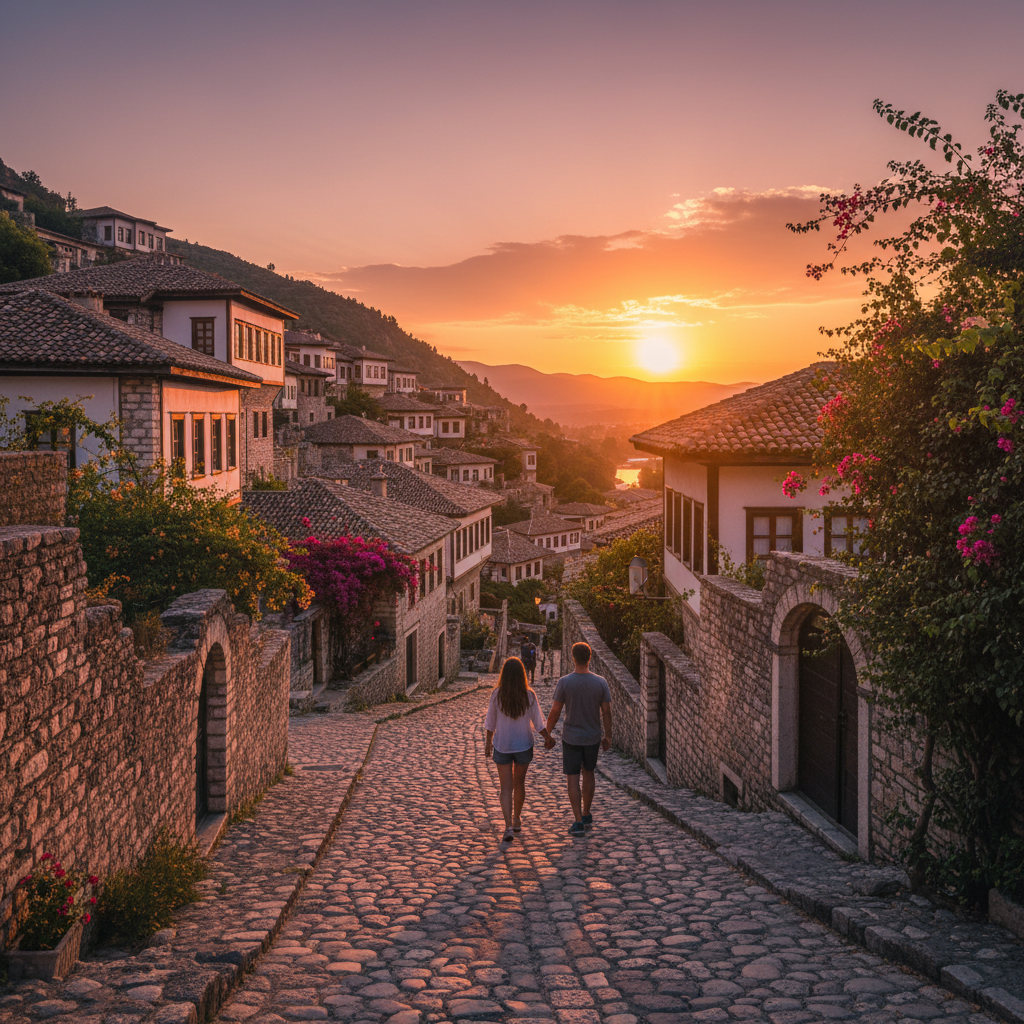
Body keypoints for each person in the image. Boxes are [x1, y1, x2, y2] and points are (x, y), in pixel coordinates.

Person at [545, 641, 612, 836]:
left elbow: (555, 711)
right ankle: (587, 813)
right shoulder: (601, 682)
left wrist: (547, 733)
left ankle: (577, 821)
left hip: (572, 737)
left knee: (572, 777)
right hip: (592, 737)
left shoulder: (565, 682)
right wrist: (608, 736)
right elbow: (606, 712)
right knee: (589, 773)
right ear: (589, 658)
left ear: (572, 657)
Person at [484, 656, 553, 843]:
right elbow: (539, 723)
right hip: (523, 745)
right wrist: (547, 737)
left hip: (502, 745)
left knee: (505, 787)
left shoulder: (497, 695)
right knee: (519, 784)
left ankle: (507, 827)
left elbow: (490, 723)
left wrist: (488, 744)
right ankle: (516, 819)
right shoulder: (528, 695)